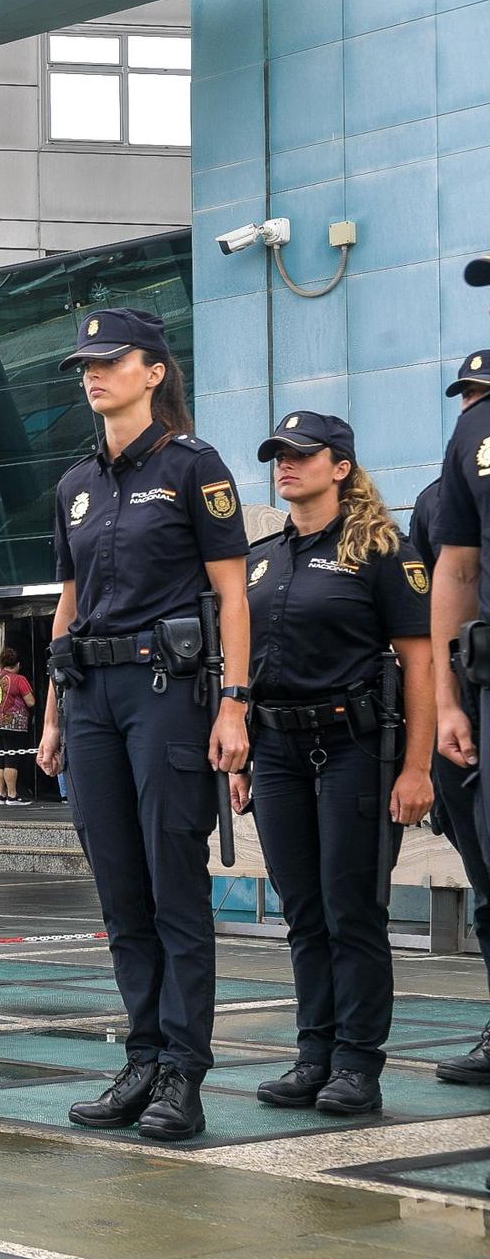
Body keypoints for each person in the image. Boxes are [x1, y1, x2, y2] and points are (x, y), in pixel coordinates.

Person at [35, 308, 251, 1142]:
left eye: (109, 361)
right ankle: (141, 1055)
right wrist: (52, 715)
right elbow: (70, 602)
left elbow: (233, 594)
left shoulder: (196, 467)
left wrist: (236, 702)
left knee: (172, 886)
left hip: (168, 691)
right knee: (121, 891)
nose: (92, 375)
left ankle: (182, 1073)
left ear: (154, 371)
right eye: (84, 365)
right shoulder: (74, 484)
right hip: (91, 696)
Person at [234, 412, 432, 1116]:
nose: (286, 465)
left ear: (340, 465)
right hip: (277, 749)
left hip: (354, 747)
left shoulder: (383, 550)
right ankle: (313, 1053)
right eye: (278, 456)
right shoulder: (263, 556)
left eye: (301, 455)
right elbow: (248, 661)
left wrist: (417, 768)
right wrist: (241, 749)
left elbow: (420, 665)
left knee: (353, 912)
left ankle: (357, 1065)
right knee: (304, 912)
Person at [412, 353, 490, 1086]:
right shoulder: (443, 493)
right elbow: (442, 588)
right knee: (486, 872)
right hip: (468, 698)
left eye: (480, 391)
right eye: (466, 394)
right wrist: (442, 707)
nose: (472, 403)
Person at [0, 649, 37, 804]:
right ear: (18, 664)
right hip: (13, 725)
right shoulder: (19, 679)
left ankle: (1, 795)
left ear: (1, 663)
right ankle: (12, 795)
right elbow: (31, 702)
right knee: (11, 759)